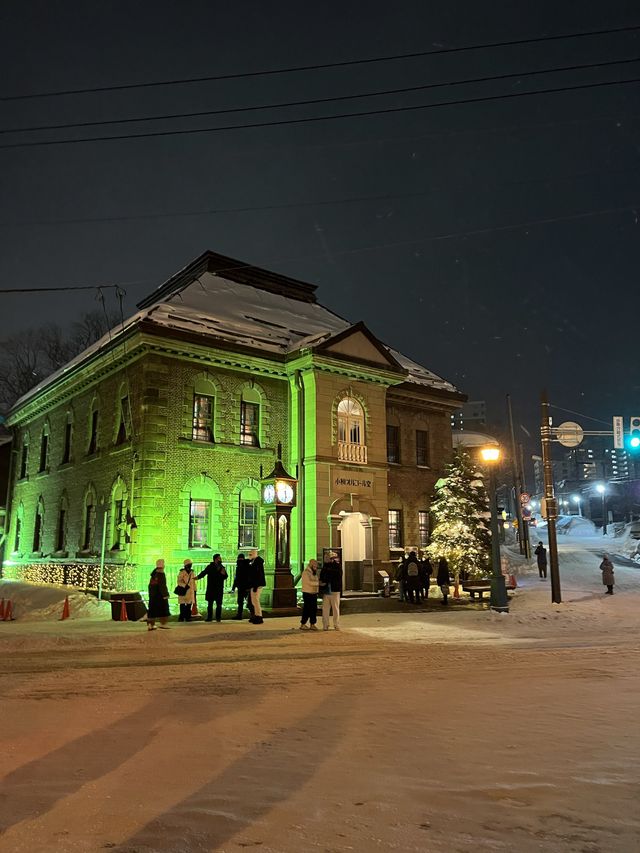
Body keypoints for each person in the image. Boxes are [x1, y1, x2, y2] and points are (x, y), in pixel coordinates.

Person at [196, 554, 228, 622]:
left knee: (219, 604)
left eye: (220, 558)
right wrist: (198, 577)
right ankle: (209, 617)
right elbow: (204, 573)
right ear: (215, 559)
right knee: (210, 604)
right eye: (219, 558)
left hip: (219, 588)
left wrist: (224, 574)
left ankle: (218, 618)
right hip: (211, 588)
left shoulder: (222, 567)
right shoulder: (210, 567)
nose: (220, 559)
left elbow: (225, 576)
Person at [320, 551, 342, 630]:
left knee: (335, 608)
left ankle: (336, 624)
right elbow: (322, 577)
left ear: (331, 558)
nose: (325, 559)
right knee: (325, 609)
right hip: (326, 591)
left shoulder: (336, 566)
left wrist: (325, 579)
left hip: (334, 590)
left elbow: (337, 576)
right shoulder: (325, 567)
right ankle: (325, 625)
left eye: (326, 557)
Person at [147, 559, 170, 630]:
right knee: (164, 610)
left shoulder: (154, 574)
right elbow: (162, 585)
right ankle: (163, 623)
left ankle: (151, 625)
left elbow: (150, 586)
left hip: (153, 595)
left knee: (152, 610)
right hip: (160, 595)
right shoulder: (161, 574)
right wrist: (166, 594)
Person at [298, 558, 320, 630]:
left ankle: (312, 624)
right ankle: (303, 623)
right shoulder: (306, 573)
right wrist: (319, 583)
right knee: (307, 609)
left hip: (313, 593)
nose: (315, 568)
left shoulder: (313, 573)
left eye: (316, 566)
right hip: (307, 593)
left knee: (313, 609)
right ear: (311, 565)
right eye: (314, 566)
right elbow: (309, 582)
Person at [231, 553, 253, 621]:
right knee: (246, 602)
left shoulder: (241, 566)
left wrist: (234, 588)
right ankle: (252, 615)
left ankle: (242, 615)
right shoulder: (248, 565)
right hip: (244, 587)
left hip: (243, 587)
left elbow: (237, 578)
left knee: (243, 602)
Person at [247, 549, 266, 624]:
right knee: (254, 601)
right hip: (256, 584)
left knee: (255, 600)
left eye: (251, 554)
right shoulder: (255, 562)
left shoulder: (257, 563)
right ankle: (256, 615)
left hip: (257, 584)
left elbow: (257, 575)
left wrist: (255, 586)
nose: (249, 556)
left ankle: (259, 616)